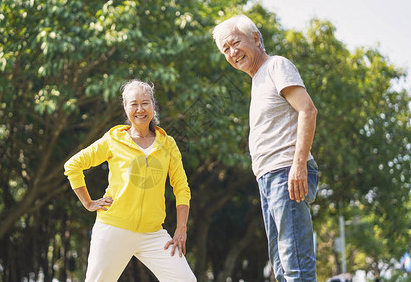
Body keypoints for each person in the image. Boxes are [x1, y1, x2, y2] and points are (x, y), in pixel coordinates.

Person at [213, 15, 319, 281]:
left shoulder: (276, 66)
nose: (232, 53)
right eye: (225, 50)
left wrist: (298, 165)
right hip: (269, 177)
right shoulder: (257, 80)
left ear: (256, 38)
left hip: (286, 172)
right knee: (281, 267)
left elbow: (307, 110)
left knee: (295, 264)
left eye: (235, 43)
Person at [64, 80, 196, 282]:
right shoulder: (113, 140)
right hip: (113, 228)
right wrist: (89, 203)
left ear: (153, 105)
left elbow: (182, 188)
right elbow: (73, 165)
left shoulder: (168, 144)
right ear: (126, 109)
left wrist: (181, 228)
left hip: (152, 233)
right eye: (133, 104)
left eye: (145, 102)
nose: (140, 109)